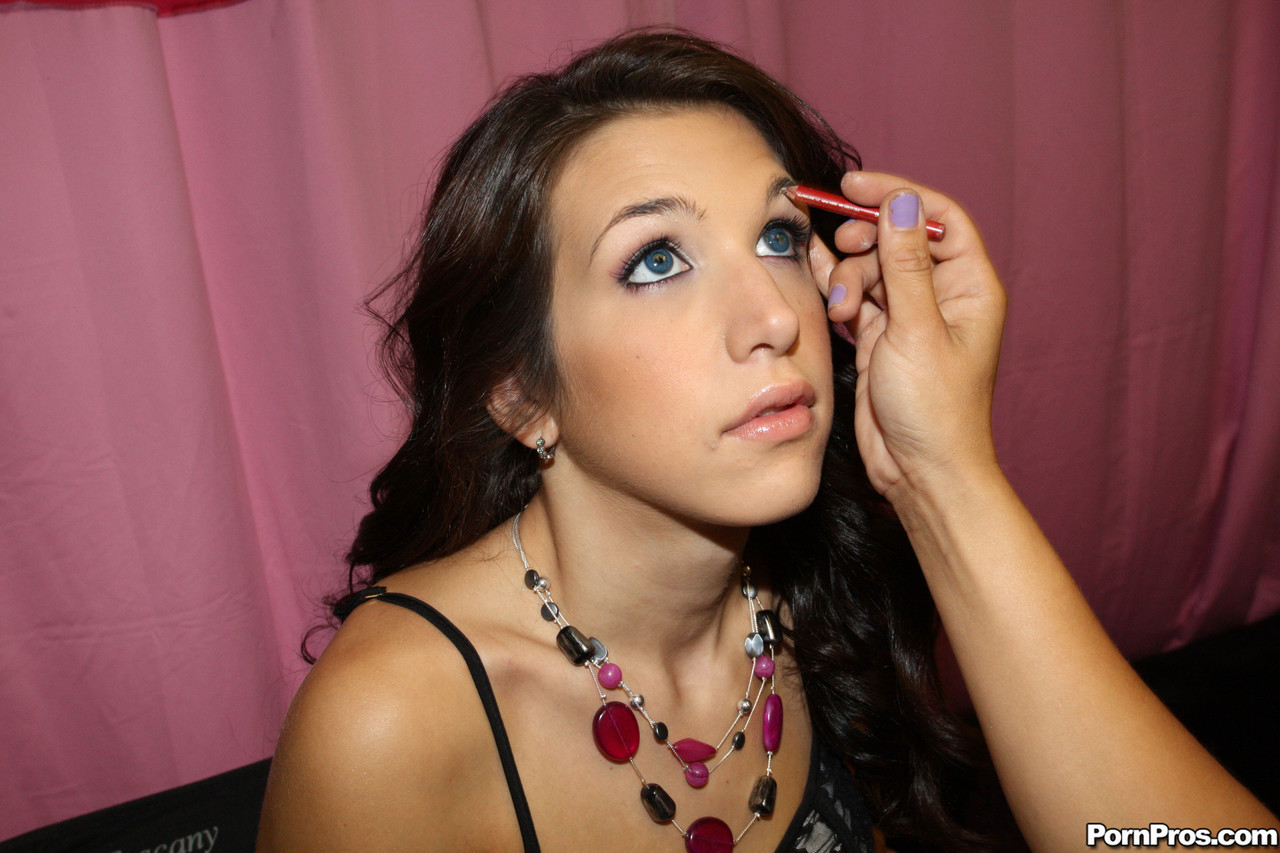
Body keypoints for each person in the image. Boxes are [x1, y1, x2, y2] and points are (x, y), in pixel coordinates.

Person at [256, 29, 1277, 853]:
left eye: (779, 237)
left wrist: (944, 472)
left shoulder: (820, 599)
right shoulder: (388, 724)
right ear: (523, 395)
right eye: (656, 261)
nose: (773, 317)